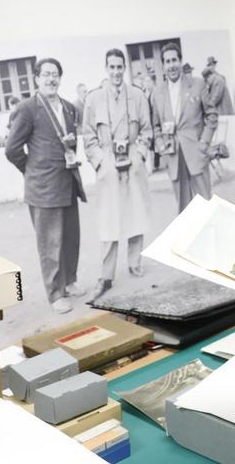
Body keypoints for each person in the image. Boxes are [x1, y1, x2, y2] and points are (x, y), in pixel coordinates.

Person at [5, 57, 87, 314]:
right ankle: (55, 294)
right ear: (37, 79)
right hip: (43, 187)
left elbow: (69, 143)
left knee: (71, 237)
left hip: (68, 181)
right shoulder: (27, 109)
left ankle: (70, 282)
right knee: (50, 243)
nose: (52, 79)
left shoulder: (68, 107)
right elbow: (12, 149)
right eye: (46, 74)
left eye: (56, 74)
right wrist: (32, 170)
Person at [82, 48, 153, 300]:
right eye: (111, 67)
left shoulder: (137, 95)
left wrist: (140, 155)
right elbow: (88, 137)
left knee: (135, 213)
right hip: (108, 162)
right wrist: (101, 162)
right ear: (106, 68)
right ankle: (107, 274)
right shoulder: (93, 99)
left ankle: (134, 262)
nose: (115, 72)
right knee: (109, 220)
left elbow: (147, 130)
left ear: (125, 68)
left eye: (119, 67)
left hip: (132, 158)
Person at [149, 42, 218, 212]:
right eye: (167, 61)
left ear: (180, 62)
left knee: (206, 206)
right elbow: (156, 127)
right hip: (173, 158)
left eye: (174, 60)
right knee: (184, 211)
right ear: (163, 65)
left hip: (197, 154)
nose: (171, 65)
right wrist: (162, 149)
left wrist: (203, 143)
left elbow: (211, 115)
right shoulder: (157, 93)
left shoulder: (197, 84)